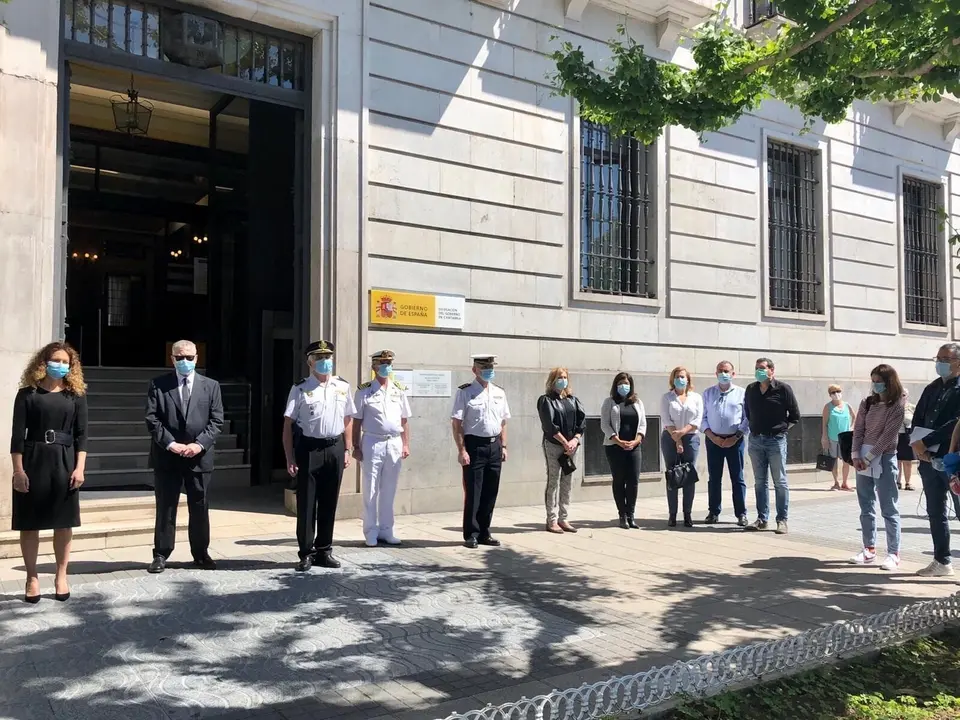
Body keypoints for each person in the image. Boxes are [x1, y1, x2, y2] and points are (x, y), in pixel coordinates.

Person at [10, 342, 88, 603]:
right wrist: (18, 471)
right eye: (56, 360)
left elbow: (82, 435)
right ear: (43, 362)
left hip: (64, 460)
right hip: (33, 459)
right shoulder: (27, 394)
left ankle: (61, 575)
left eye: (66, 362)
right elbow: (16, 437)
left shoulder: (76, 395)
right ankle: (32, 577)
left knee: (63, 523)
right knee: (30, 523)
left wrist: (80, 468)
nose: (61, 365)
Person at [145, 340, 224, 574]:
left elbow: (217, 420)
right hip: (168, 456)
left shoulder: (211, 386)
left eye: (189, 357)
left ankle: (201, 554)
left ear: (197, 358)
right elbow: (152, 419)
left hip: (199, 457)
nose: (185, 361)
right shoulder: (158, 385)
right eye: (180, 358)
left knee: (200, 506)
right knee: (166, 506)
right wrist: (171, 444)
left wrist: (199, 445)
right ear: (172, 359)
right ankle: (161, 554)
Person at [283, 340, 356, 571]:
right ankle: (306, 553)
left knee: (329, 502)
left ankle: (324, 550)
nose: (325, 362)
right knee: (306, 503)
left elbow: (348, 419)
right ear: (310, 362)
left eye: (328, 357)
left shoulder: (342, 386)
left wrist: (347, 449)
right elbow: (288, 424)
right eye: (320, 358)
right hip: (308, 449)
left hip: (334, 448)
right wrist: (289, 457)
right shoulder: (300, 388)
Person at [909, 343, 960, 577]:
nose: (939, 363)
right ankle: (942, 560)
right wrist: (916, 442)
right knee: (935, 511)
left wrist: (927, 441)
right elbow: (918, 415)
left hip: (952, 459)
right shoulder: (932, 388)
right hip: (928, 460)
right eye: (937, 358)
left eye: (945, 359)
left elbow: (956, 423)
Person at [352, 350, 411, 547]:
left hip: (394, 442)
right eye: (382, 363)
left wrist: (405, 443)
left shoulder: (398, 389)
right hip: (372, 442)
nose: (386, 366)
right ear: (374, 366)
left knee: (389, 489)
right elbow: (357, 421)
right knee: (370, 489)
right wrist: (355, 446)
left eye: (389, 362)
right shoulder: (364, 390)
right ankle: (370, 531)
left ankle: (387, 530)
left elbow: (404, 420)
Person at [849, 365, 906, 571]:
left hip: (884, 457)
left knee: (889, 507)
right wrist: (856, 455)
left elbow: (888, 435)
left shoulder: (897, 405)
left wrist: (871, 456)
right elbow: (859, 430)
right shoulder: (867, 403)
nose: (875, 385)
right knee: (866, 505)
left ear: (889, 382)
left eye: (879, 381)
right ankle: (869, 548)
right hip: (862, 457)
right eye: (873, 381)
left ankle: (893, 553)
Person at [451, 354, 510, 549]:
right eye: (484, 367)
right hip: (474, 445)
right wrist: (462, 450)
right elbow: (457, 423)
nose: (488, 370)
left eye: (491, 366)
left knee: (490, 491)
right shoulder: (465, 392)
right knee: (474, 491)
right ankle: (472, 533)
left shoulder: (499, 392)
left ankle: (485, 531)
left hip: (494, 445)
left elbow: (503, 421)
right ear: (474, 369)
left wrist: (504, 446)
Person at [744, 357, 800, 535]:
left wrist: (781, 431)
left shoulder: (783, 389)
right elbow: (748, 412)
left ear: (771, 371)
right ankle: (762, 519)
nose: (759, 371)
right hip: (755, 440)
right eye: (756, 368)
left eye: (762, 368)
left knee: (780, 481)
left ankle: (782, 519)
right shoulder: (751, 389)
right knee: (760, 482)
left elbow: (795, 415)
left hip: (775, 441)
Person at [537, 367, 586, 533]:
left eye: (565, 377)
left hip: (572, 446)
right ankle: (551, 519)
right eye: (559, 377)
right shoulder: (546, 400)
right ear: (552, 380)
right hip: (554, 445)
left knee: (567, 482)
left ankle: (563, 518)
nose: (562, 380)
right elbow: (549, 425)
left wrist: (574, 440)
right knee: (554, 482)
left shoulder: (572, 400)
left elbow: (581, 422)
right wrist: (564, 442)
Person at [701, 361, 749, 527]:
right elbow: (703, 417)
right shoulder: (708, 393)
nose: (723, 374)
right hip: (713, 440)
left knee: (738, 477)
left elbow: (747, 418)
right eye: (720, 371)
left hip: (735, 440)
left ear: (733, 374)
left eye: (727, 371)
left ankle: (741, 513)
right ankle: (713, 512)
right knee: (714, 478)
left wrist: (735, 437)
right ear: (716, 374)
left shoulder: (742, 393)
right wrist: (712, 437)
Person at [600, 372, 646, 529]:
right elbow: (604, 424)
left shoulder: (638, 402)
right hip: (615, 447)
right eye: (620, 383)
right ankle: (622, 515)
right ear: (615, 385)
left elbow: (643, 425)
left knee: (633, 481)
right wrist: (618, 440)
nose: (623, 386)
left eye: (626, 383)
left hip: (634, 447)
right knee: (619, 480)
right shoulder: (609, 402)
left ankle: (631, 514)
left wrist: (636, 440)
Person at [660, 367, 703, 528]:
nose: (680, 379)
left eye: (683, 376)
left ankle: (687, 514)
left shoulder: (696, 397)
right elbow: (666, 419)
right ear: (673, 379)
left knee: (688, 476)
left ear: (688, 379)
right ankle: (672, 514)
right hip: (670, 438)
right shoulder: (667, 398)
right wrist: (676, 439)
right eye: (677, 377)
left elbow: (698, 419)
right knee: (673, 474)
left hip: (691, 437)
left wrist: (683, 433)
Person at [821, 384, 855, 491]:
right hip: (832, 437)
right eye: (833, 392)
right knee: (834, 460)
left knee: (846, 461)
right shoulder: (828, 407)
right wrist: (824, 437)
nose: (836, 394)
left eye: (838, 391)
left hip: (845, 438)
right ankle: (836, 482)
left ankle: (845, 482)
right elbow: (824, 423)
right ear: (830, 395)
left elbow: (854, 416)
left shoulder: (847, 405)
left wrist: (851, 427)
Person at [897, 401, 916, 491]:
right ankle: (897, 481)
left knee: (908, 461)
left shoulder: (912, 407)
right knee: (897, 461)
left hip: (907, 435)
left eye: (904, 395)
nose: (902, 397)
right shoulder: (893, 406)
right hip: (896, 435)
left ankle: (908, 482)